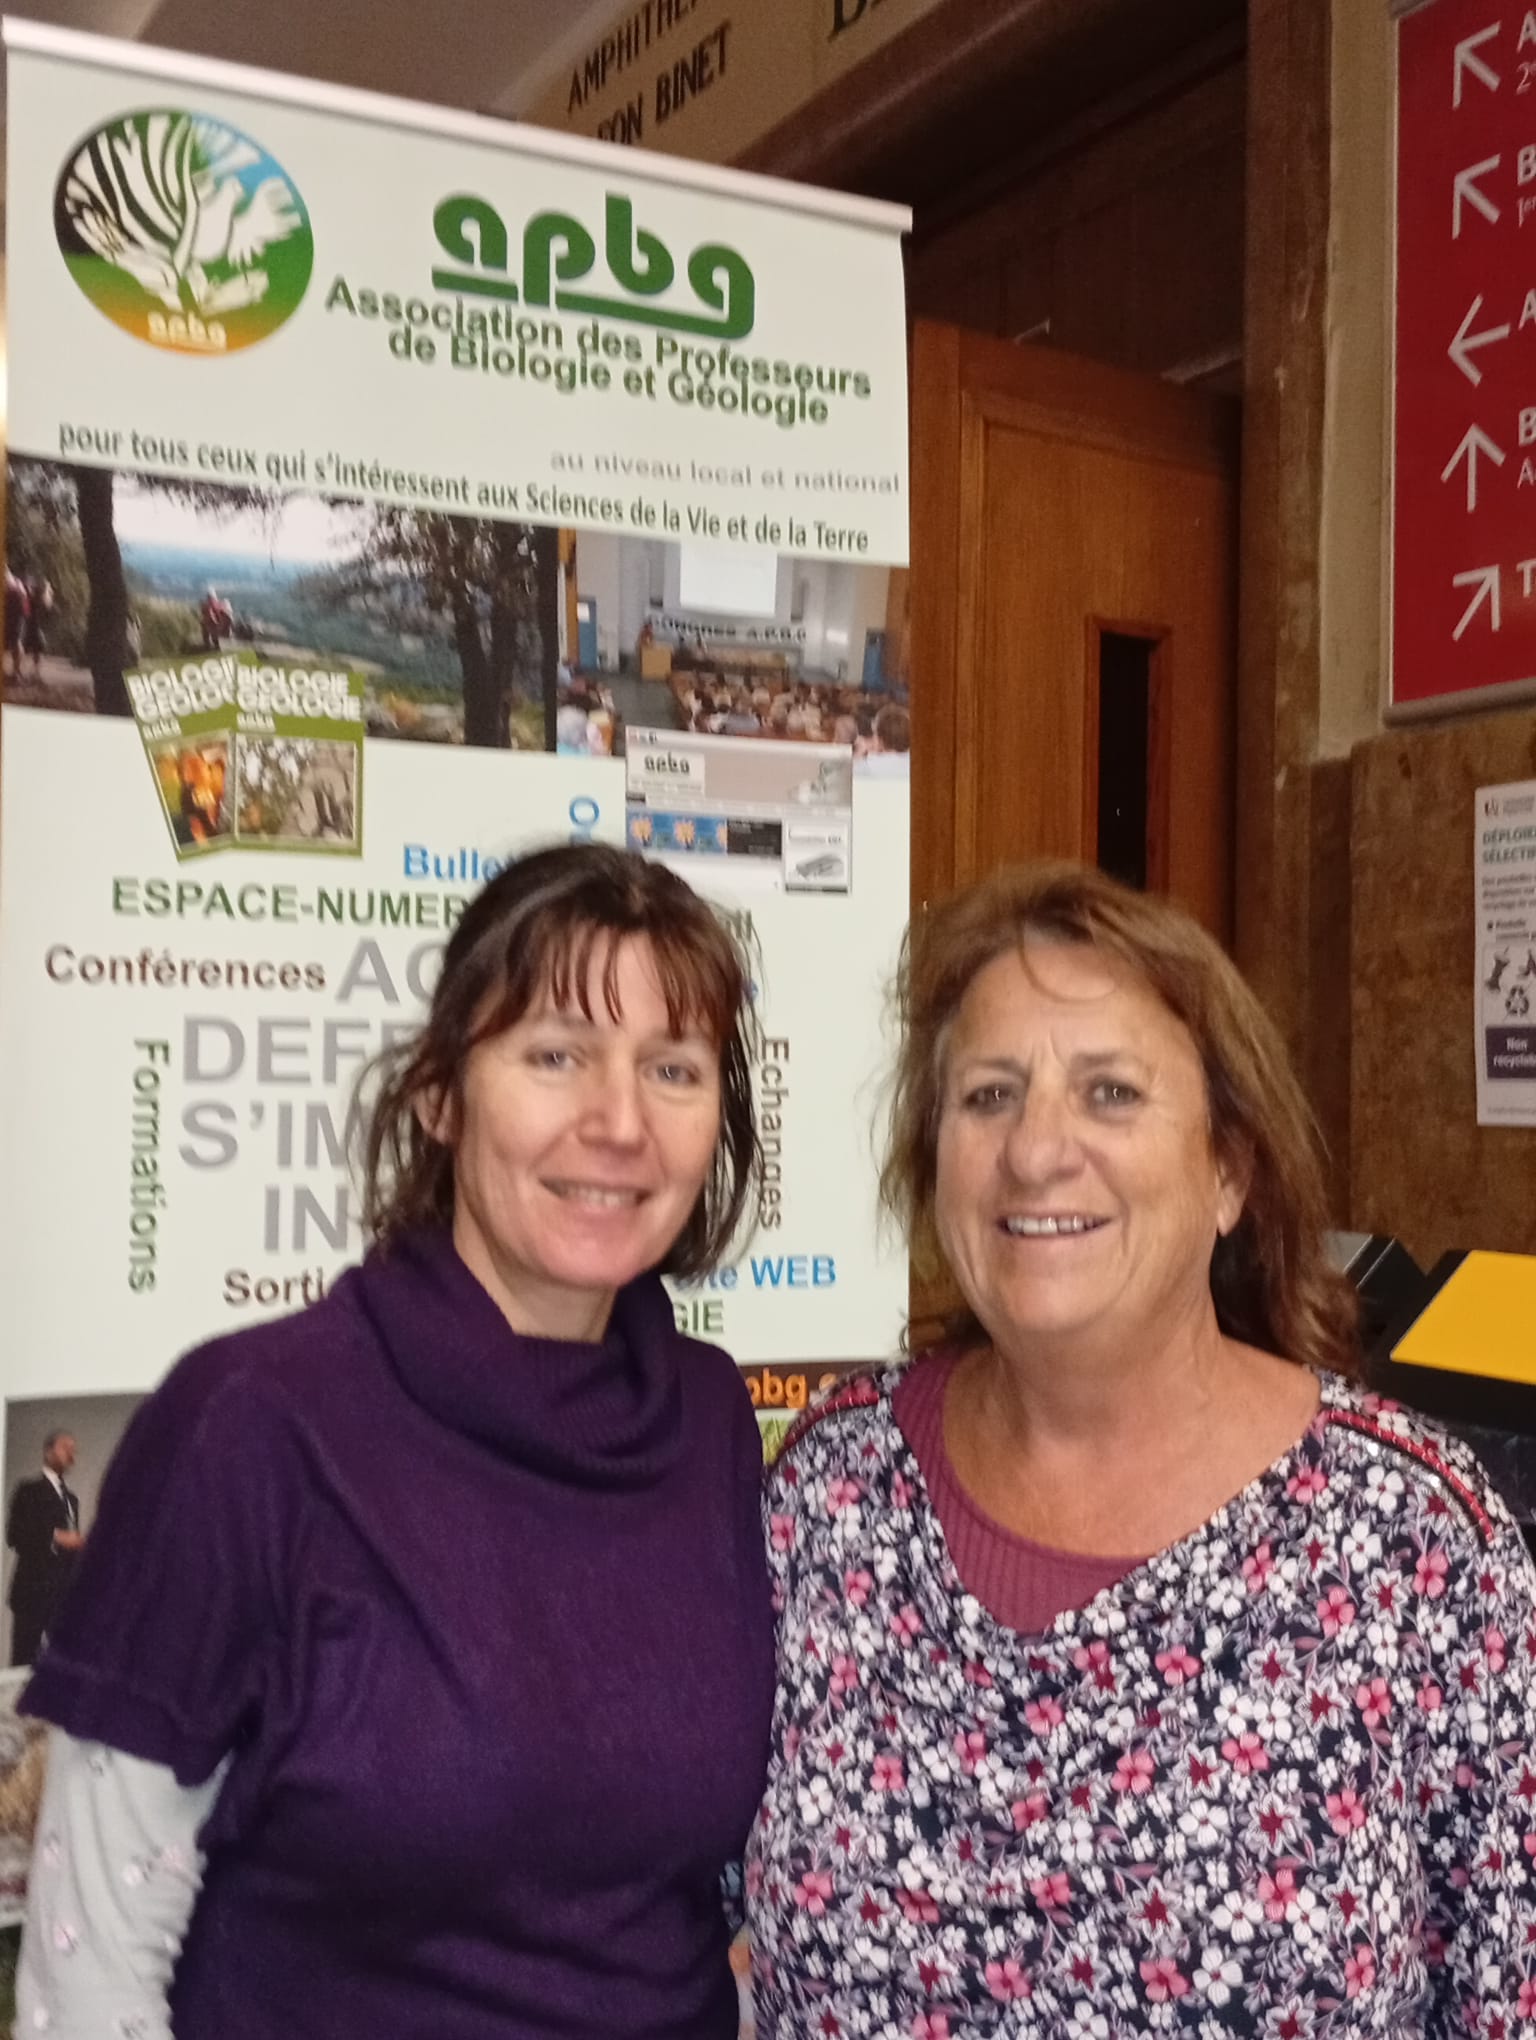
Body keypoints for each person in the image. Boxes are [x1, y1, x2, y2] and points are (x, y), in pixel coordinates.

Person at [748, 861, 1536, 2036]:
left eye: (1110, 1093)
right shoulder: (829, 1491)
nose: (1036, 1151)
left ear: (1229, 1171)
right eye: (989, 1095)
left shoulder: (1415, 1542)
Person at [19, 843, 775, 2040]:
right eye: (556, 1055)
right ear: (439, 1095)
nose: (620, 1122)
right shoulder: (249, 1424)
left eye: (672, 1069)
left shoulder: (707, 1419)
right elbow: (90, 1973)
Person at [6, 1431, 84, 1667]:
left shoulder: (72, 1500)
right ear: (48, 1451)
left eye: (73, 1450)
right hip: (32, 1592)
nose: (71, 1454)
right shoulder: (28, 1490)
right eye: (65, 1448)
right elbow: (15, 1535)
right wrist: (56, 1536)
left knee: (65, 1660)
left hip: (63, 1594)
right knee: (23, 1660)